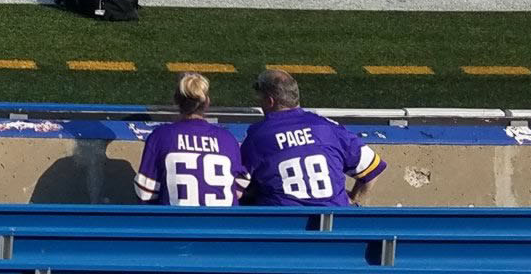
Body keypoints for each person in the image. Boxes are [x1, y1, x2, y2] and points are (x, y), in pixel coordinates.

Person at [240, 68, 385, 207]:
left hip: (284, 226)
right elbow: (373, 169)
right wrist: (353, 198)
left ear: (270, 101)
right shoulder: (328, 128)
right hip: (334, 223)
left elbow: (238, 185)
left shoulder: (258, 135)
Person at [135, 72, 245, 207]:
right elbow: (240, 188)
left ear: (176, 100)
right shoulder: (228, 139)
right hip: (223, 225)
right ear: (207, 102)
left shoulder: (160, 136)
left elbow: (145, 192)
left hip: (175, 225)